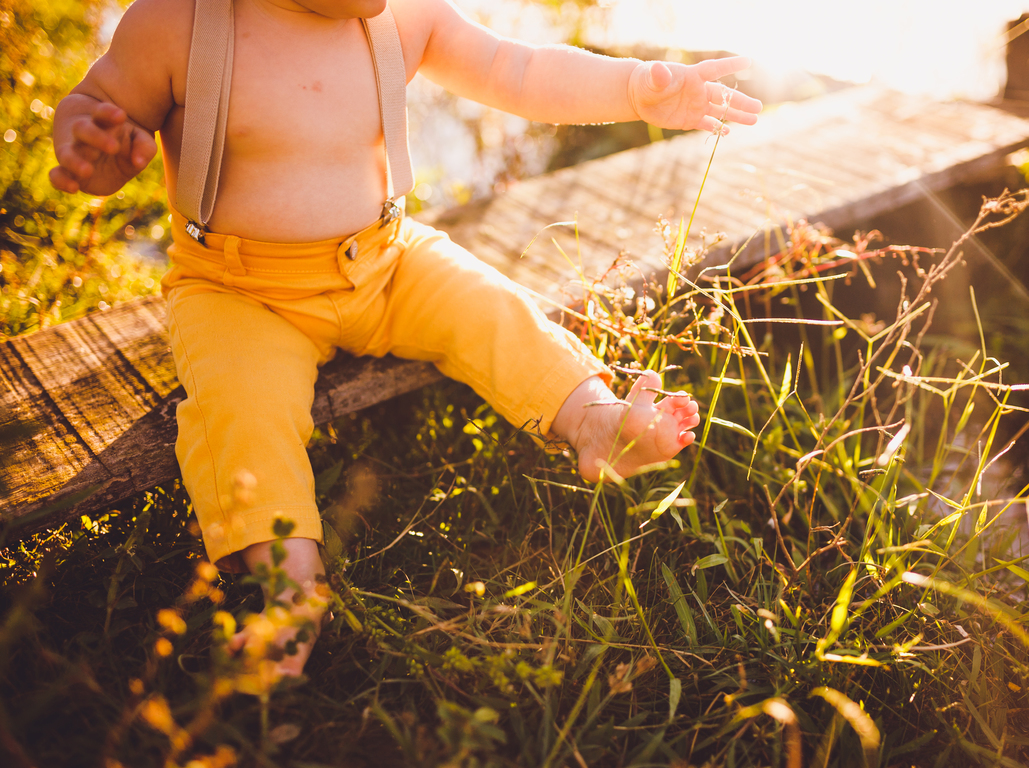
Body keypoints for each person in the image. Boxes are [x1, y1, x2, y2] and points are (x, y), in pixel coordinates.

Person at [50, 0, 762, 681]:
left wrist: (637, 89)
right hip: (236, 289)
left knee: (491, 309)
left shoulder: (404, 14)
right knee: (242, 411)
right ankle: (291, 584)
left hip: (386, 259)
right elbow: (97, 109)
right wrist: (98, 149)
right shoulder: (177, 23)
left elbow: (520, 70)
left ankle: (594, 420)